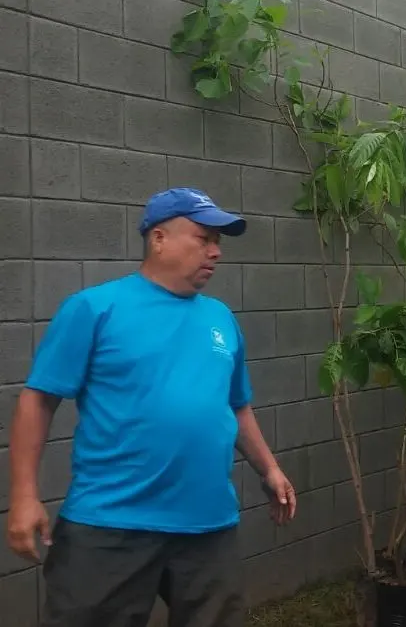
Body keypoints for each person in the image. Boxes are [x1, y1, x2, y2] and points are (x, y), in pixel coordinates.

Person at [4, 187, 297, 627]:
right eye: (204, 237)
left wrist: (269, 469)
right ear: (158, 238)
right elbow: (38, 399)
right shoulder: (94, 308)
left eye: (219, 242)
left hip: (207, 528)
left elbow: (236, 408)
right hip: (110, 526)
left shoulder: (220, 319)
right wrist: (24, 495)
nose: (215, 252)